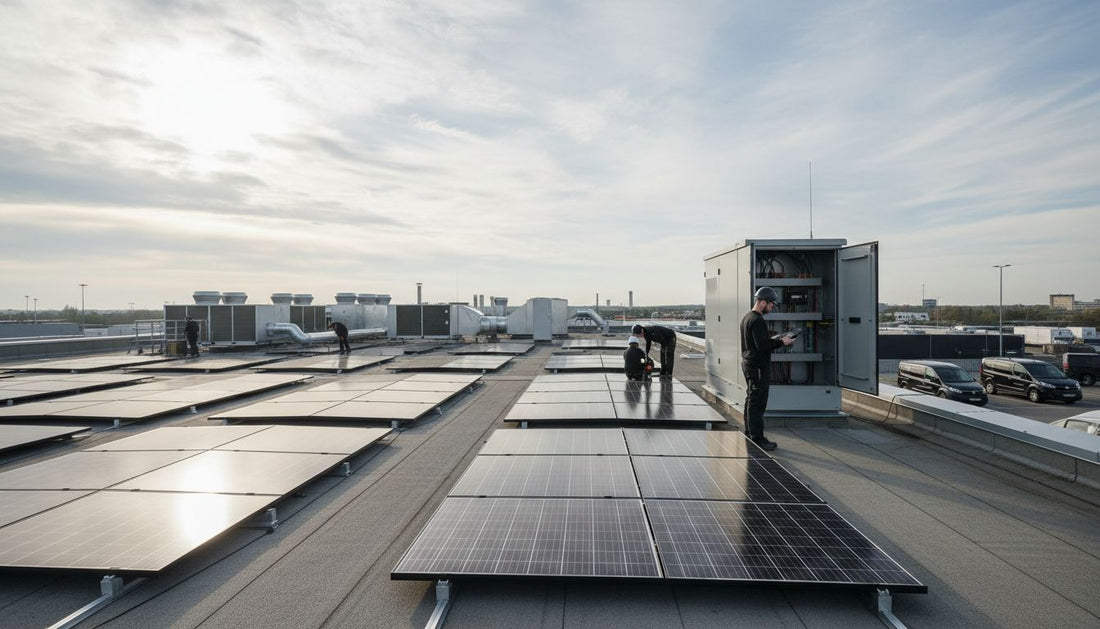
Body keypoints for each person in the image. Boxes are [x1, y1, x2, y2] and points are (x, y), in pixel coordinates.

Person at [740, 287, 795, 452]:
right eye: (770, 304)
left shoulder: (747, 318)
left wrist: (773, 339)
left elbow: (758, 342)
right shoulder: (757, 320)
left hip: (750, 363)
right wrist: (782, 342)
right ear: (762, 302)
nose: (772, 307)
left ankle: (750, 433)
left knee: (751, 399)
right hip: (757, 366)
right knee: (758, 401)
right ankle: (758, 439)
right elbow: (762, 346)